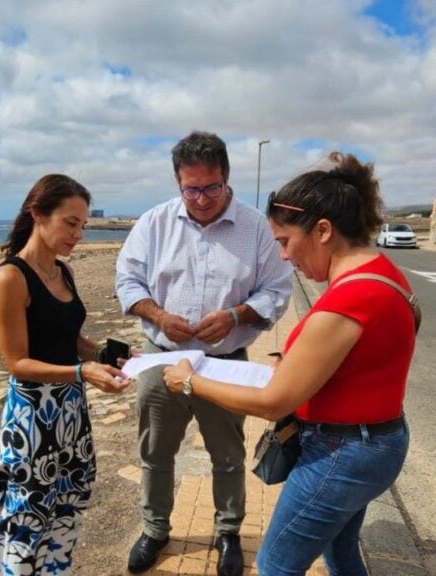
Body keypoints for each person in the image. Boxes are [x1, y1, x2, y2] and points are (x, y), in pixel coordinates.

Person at [164, 152, 415, 575]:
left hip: (342, 450)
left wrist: (190, 382)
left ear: (322, 231)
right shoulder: (381, 273)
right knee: (340, 550)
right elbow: (368, 357)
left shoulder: (350, 298)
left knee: (276, 564)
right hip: (375, 440)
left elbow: (272, 404)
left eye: (284, 241)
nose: (283, 256)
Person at [116, 131, 293, 575]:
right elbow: (127, 282)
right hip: (162, 358)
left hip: (227, 362)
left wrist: (237, 315)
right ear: (178, 182)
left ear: (227, 176)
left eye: (210, 187)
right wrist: (157, 315)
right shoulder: (153, 223)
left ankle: (229, 531)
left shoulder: (256, 228)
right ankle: (155, 530)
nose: (200, 198)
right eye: (190, 188)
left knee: (228, 454)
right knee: (155, 451)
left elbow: (277, 290)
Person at [0, 174, 131, 575]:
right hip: (32, 416)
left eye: (83, 225)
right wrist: (83, 372)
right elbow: (17, 362)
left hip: (70, 409)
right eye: (71, 223)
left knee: (67, 509)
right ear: (37, 214)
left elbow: (71, 337)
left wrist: (109, 354)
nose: (79, 234)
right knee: (27, 519)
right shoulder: (11, 277)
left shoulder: (63, 272)